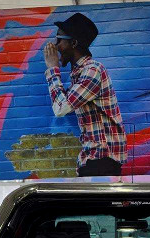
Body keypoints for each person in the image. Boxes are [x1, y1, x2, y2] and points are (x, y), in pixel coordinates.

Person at [43, 12, 126, 177]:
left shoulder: (93, 71)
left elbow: (61, 108)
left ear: (73, 43)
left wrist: (52, 69)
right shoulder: (80, 74)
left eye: (59, 40)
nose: (55, 46)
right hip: (94, 160)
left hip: (102, 161)